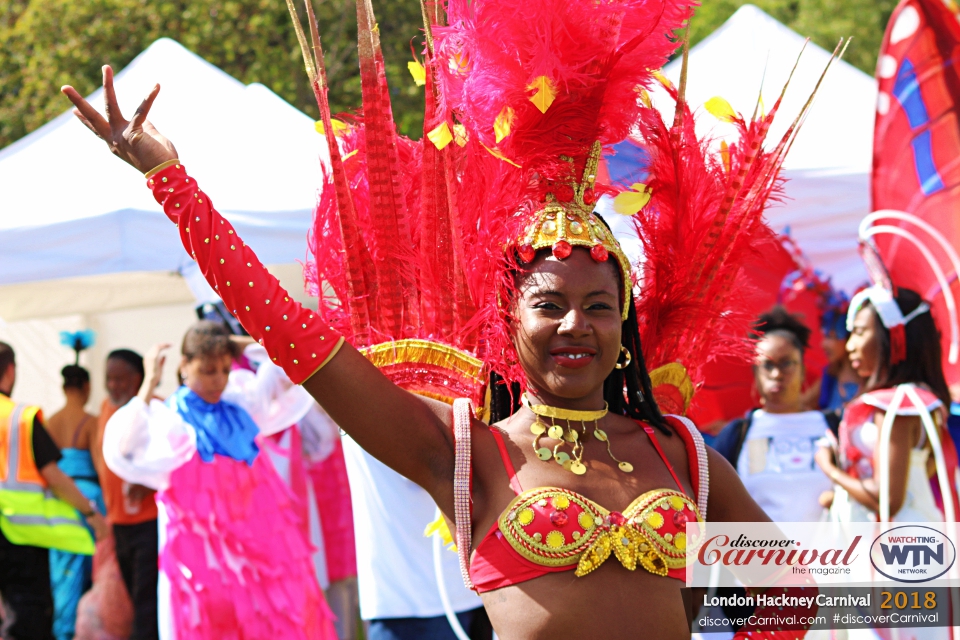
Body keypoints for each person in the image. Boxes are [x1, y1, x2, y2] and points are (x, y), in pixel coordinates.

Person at [60, 0, 830, 632]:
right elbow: (295, 337)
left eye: (599, 307)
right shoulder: (465, 452)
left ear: (624, 324)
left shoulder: (683, 455)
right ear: (509, 320)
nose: (576, 326)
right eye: (550, 305)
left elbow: (798, 593)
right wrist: (171, 181)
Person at [102, 322, 336, 639]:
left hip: (255, 555)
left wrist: (244, 344)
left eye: (225, 370)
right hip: (201, 565)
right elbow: (124, 449)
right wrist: (148, 386)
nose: (220, 380)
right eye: (209, 370)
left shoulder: (241, 407)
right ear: (185, 366)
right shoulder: (172, 421)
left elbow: (286, 369)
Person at [815, 286, 959, 523]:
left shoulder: (899, 406)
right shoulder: (915, 400)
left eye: (860, 332)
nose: (850, 346)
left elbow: (888, 499)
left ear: (893, 336)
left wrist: (829, 468)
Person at [0, 341, 107, 640]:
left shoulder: (51, 420)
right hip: (31, 526)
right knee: (35, 606)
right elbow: (55, 476)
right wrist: (92, 513)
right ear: (10, 372)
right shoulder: (21, 418)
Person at [714, 308, 834, 523]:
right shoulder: (736, 435)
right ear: (755, 374)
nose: (777, 374)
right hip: (761, 556)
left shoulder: (834, 427)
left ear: (803, 370)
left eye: (786, 363)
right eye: (767, 365)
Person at [91, 349, 155, 640]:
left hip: (150, 521)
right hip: (119, 522)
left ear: (138, 379)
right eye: (109, 379)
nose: (114, 385)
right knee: (131, 596)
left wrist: (150, 483)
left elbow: (180, 461)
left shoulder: (155, 409)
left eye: (121, 379)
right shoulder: (106, 408)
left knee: (146, 601)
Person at [45, 364, 104, 640]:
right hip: (88, 499)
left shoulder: (48, 422)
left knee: (61, 568)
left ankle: (61, 627)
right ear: (87, 387)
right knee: (89, 567)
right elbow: (100, 465)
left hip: (58, 499)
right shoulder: (90, 421)